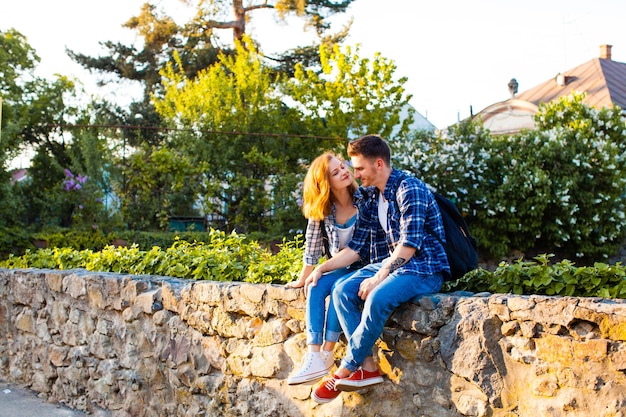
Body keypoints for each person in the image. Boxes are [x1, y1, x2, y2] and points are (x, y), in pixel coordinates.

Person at [307, 134, 450, 403]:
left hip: (424, 268)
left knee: (377, 297)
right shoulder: (373, 196)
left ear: (379, 164)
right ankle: (369, 368)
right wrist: (321, 268)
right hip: (392, 266)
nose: (354, 173)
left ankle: (344, 370)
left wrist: (379, 277)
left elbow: (409, 245)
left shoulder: (409, 189)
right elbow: (356, 248)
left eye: (359, 168)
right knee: (341, 291)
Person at [285, 151, 362, 385]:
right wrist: (303, 277)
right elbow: (312, 246)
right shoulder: (324, 210)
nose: (344, 172)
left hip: (364, 266)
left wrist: (322, 268)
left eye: (343, 166)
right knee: (316, 286)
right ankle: (314, 354)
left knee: (339, 286)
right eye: (335, 172)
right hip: (340, 266)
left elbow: (361, 250)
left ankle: (328, 353)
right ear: (325, 182)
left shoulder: (364, 200)